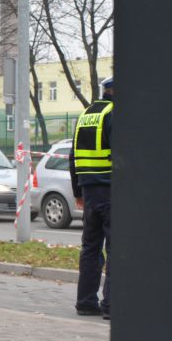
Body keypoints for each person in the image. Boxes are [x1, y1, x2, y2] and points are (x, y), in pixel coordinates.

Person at [70, 77, 113, 320]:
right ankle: (111, 305)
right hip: (110, 190)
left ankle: (85, 302)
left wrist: (78, 192)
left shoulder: (86, 114)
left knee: (90, 247)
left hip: (89, 191)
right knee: (115, 248)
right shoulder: (114, 114)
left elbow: (72, 156)